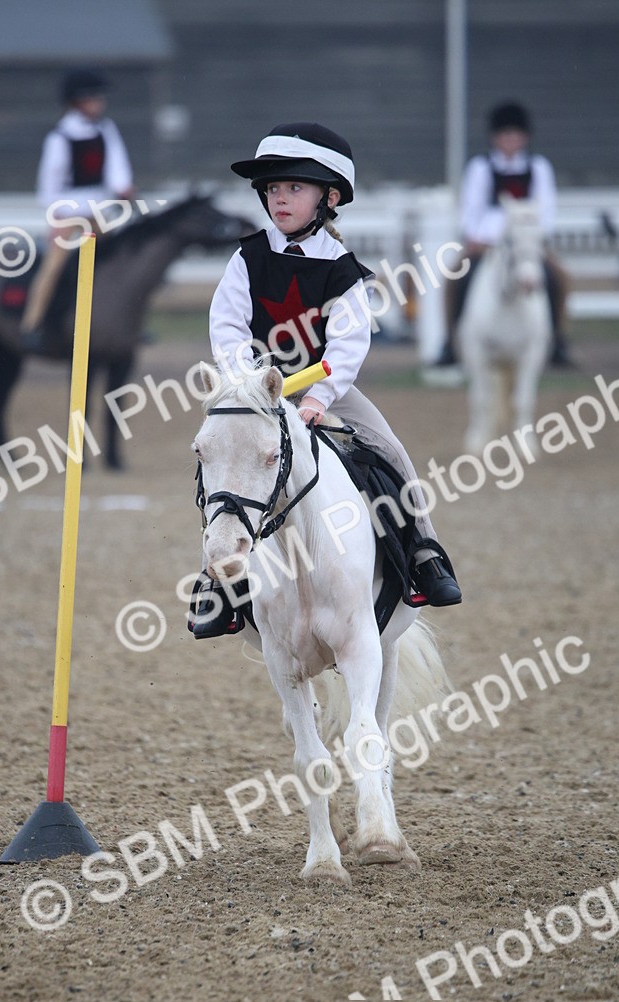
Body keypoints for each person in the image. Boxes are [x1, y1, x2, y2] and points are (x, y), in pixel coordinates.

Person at [191, 121, 461, 639]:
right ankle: (215, 585)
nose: (280, 199)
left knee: (390, 447)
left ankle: (425, 550)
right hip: (257, 391)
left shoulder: (341, 268)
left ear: (328, 197)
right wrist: (246, 381)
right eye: (273, 189)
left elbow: (347, 344)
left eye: (294, 187)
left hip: (326, 387)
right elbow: (225, 326)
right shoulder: (247, 258)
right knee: (217, 465)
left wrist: (317, 397)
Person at [434, 100, 574, 368]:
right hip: (486, 242)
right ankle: (450, 341)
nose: (510, 140)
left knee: (560, 277)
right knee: (455, 277)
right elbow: (470, 207)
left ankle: (558, 339)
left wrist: (537, 237)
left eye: (515, 134)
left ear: (524, 137)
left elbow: (547, 208)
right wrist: (475, 236)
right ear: (495, 137)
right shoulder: (480, 167)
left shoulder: (539, 167)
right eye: (504, 134)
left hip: (527, 242)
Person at [21, 68, 134, 352]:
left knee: (123, 262)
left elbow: (116, 169)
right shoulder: (59, 138)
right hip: (69, 215)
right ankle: (31, 324)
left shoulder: (105, 130)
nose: (101, 102)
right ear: (79, 100)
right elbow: (49, 184)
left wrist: (124, 188)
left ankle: (126, 321)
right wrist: (57, 218)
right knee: (54, 266)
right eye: (95, 97)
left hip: (99, 214)